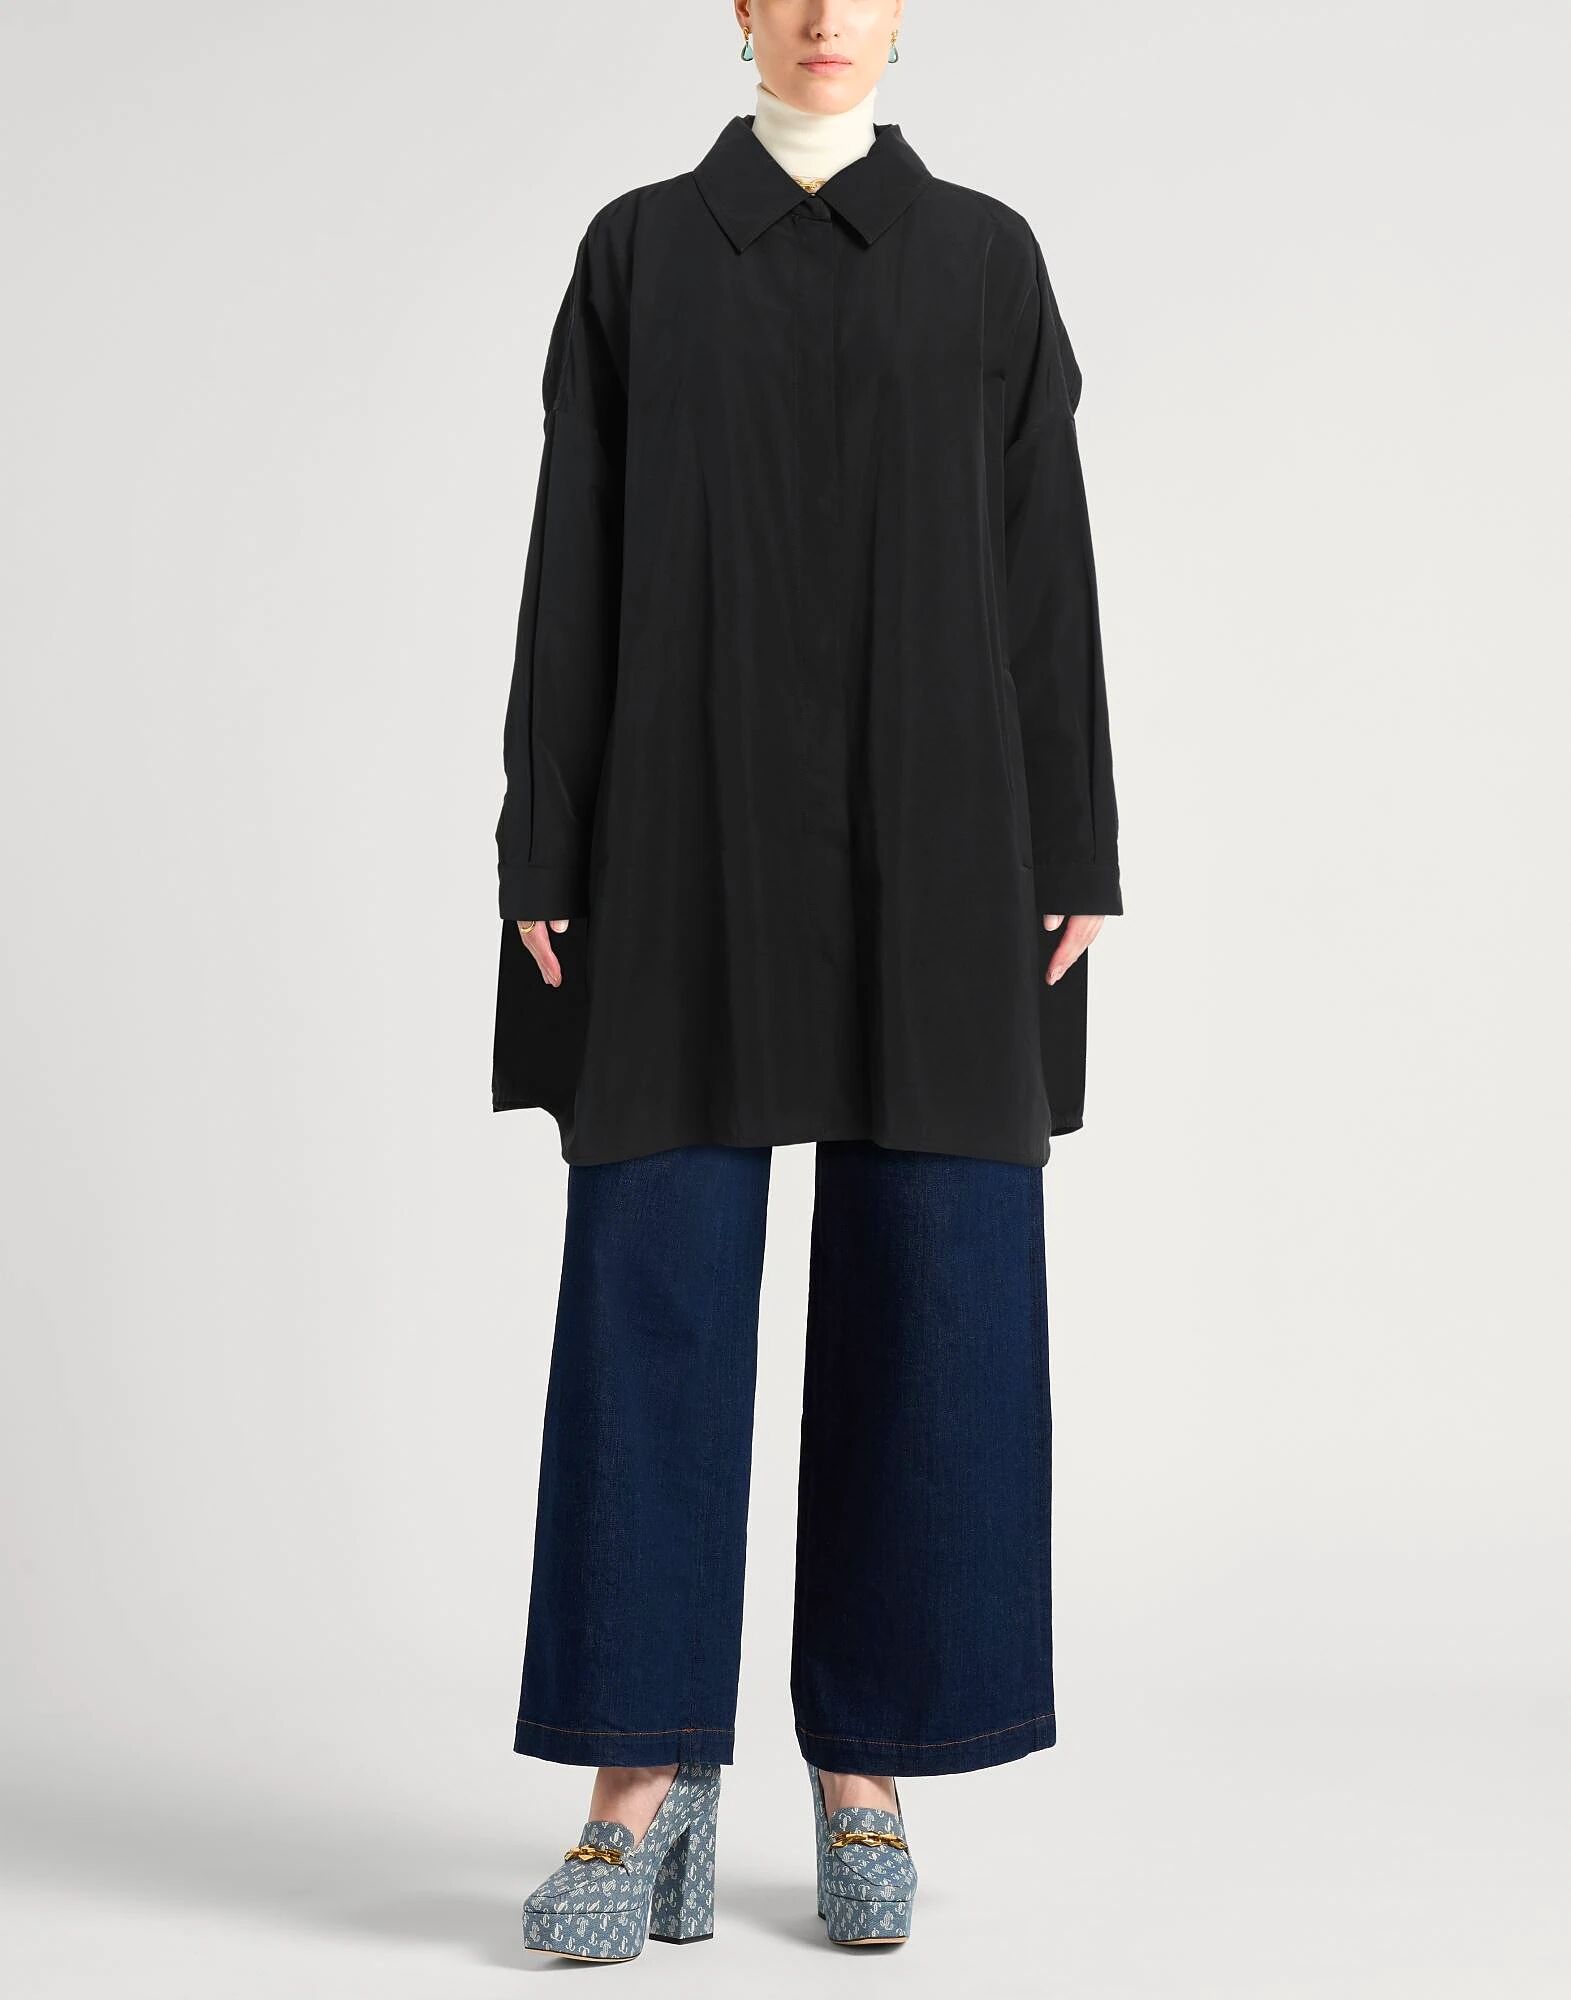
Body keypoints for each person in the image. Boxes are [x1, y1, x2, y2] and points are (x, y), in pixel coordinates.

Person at [492, 0, 1122, 1961]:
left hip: (938, 835)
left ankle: (871, 1769)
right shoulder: (637, 254)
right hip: (678, 825)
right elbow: (573, 558)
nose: (831, 16)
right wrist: (544, 837)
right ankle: (640, 1774)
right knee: (653, 1288)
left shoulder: (987, 260)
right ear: (741, 9)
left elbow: (1043, 565)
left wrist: (1078, 847)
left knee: (934, 1294)